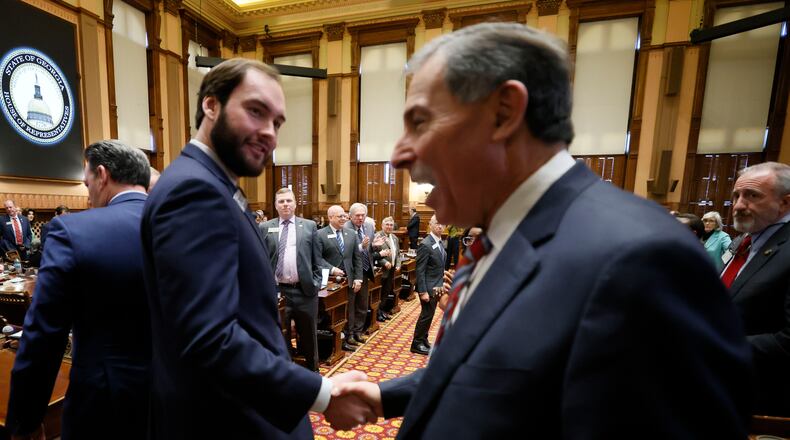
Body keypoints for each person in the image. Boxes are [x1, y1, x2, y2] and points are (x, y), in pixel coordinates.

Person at [328, 23, 752, 437]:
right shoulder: (501, 235)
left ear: (504, 113)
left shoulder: (641, 260)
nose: (400, 153)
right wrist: (385, 395)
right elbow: (495, 368)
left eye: (420, 122)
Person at [140, 58, 374, 439]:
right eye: (255, 111)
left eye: (277, 122)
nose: (269, 132)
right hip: (227, 419)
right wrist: (322, 393)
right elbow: (209, 338)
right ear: (211, 105)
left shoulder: (213, 184)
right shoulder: (193, 190)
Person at [6, 140, 152, 440]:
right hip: (182, 399)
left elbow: (45, 334)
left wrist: (25, 420)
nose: (88, 197)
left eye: (87, 185)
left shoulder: (74, 231)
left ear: (102, 175)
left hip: (106, 406)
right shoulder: (185, 224)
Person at [724, 161, 790, 416]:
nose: (739, 205)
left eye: (752, 196)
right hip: (725, 384)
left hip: (764, 396)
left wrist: (717, 344)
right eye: (736, 196)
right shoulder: (743, 240)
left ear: (785, 203)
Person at [260, 187, 322, 372]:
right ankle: (286, 376)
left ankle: (313, 373)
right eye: (281, 202)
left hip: (305, 291)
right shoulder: (265, 227)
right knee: (281, 336)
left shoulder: (309, 226)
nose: (285, 204)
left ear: (295, 203)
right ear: (276, 206)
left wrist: (316, 282)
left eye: (289, 201)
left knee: (309, 336)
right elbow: (260, 259)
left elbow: (316, 260)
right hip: (278, 292)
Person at [315, 205, 362, 351]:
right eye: (339, 216)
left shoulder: (351, 234)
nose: (343, 219)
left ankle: (348, 337)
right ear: (330, 217)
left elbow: (357, 258)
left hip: (349, 280)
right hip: (329, 282)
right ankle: (333, 342)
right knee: (332, 313)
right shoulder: (320, 234)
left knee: (349, 310)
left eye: (344, 216)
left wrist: (358, 278)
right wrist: (332, 269)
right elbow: (317, 259)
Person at [411, 215, 445, 356]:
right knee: (426, 315)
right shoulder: (426, 244)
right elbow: (420, 270)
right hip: (428, 288)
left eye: (442, 224)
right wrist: (422, 291)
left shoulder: (439, 241)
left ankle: (423, 339)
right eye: (437, 223)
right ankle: (416, 343)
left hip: (436, 286)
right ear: (430, 225)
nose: (440, 226)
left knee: (430, 315)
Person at [345, 203, 375, 346]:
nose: (361, 218)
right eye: (357, 215)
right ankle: (349, 334)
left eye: (363, 215)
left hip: (364, 270)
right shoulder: (345, 228)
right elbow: (345, 252)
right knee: (351, 305)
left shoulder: (368, 227)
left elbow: (369, 249)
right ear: (350, 216)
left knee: (363, 304)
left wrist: (373, 246)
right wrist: (361, 246)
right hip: (351, 272)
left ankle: (358, 332)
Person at [374, 216, 400, 321]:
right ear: (382, 225)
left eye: (391, 225)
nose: (389, 227)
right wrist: (384, 262)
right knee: (379, 292)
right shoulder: (377, 236)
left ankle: (382, 310)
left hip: (392, 269)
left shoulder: (395, 238)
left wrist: (398, 264)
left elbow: (397, 253)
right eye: (387, 224)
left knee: (387, 291)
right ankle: (377, 313)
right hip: (381, 270)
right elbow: (374, 254)